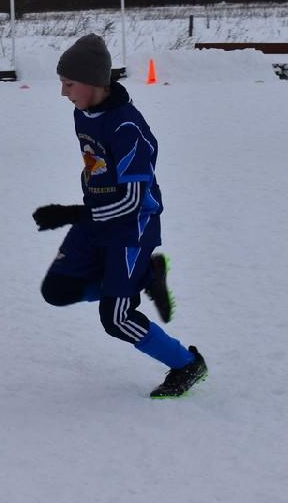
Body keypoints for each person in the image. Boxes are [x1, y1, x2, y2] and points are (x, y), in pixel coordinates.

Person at [32, 34, 207, 399]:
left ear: (94, 83)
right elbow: (94, 168)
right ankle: (144, 275)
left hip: (131, 229)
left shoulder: (128, 129)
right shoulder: (83, 112)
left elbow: (131, 201)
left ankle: (186, 364)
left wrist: (71, 213)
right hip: (96, 220)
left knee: (116, 318)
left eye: (68, 84)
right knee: (56, 290)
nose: (63, 93)